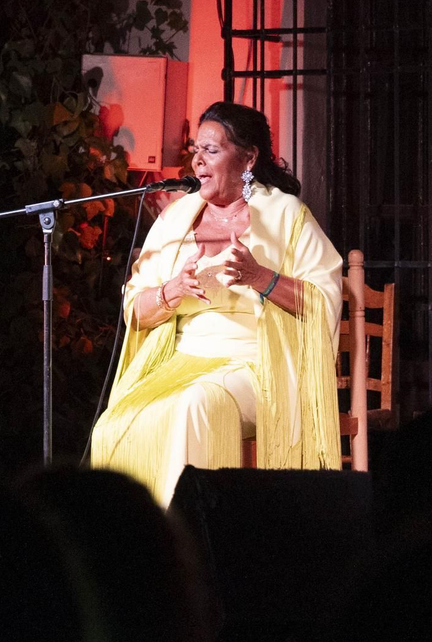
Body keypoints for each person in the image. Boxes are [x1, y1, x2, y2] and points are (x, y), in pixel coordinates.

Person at [90, 101, 343, 505]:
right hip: (181, 363)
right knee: (114, 424)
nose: (198, 162)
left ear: (248, 158)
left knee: (194, 405)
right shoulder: (174, 220)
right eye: (196, 151)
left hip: (257, 365)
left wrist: (259, 277)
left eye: (211, 151)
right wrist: (172, 291)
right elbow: (134, 310)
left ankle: (189, 543)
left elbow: (323, 304)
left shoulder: (285, 215)